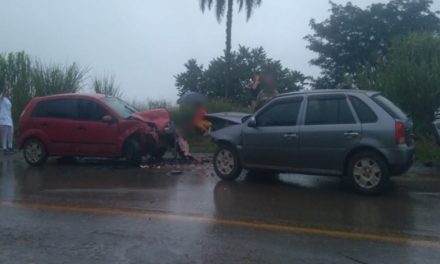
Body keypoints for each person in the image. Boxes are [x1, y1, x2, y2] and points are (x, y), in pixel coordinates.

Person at [0, 84, 14, 154]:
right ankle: (4, 148)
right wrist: (5, 89)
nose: (7, 92)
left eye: (7, 91)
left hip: (9, 120)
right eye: (6, 91)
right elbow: (2, 94)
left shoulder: (8, 99)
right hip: (3, 120)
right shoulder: (1, 98)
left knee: (10, 134)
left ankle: (10, 147)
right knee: (4, 135)